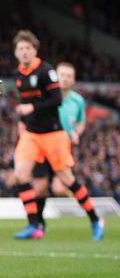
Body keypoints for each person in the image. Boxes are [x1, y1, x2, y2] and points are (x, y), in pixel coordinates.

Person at [11, 30, 103, 241]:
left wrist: (30, 108)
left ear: (35, 50)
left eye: (28, 48)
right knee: (20, 176)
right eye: (20, 49)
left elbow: (56, 101)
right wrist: (23, 120)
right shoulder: (18, 75)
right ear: (16, 52)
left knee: (67, 181)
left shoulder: (46, 71)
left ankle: (95, 218)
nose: (24, 52)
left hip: (53, 134)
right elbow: (28, 108)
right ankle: (34, 225)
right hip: (31, 134)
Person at [30, 61, 88, 231]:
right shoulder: (45, 96)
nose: (65, 79)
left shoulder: (78, 101)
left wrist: (77, 132)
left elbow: (80, 122)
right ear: (56, 76)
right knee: (39, 188)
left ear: (74, 80)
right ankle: (39, 222)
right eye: (62, 75)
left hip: (62, 147)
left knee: (59, 188)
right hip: (43, 144)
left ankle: (91, 214)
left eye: (69, 76)